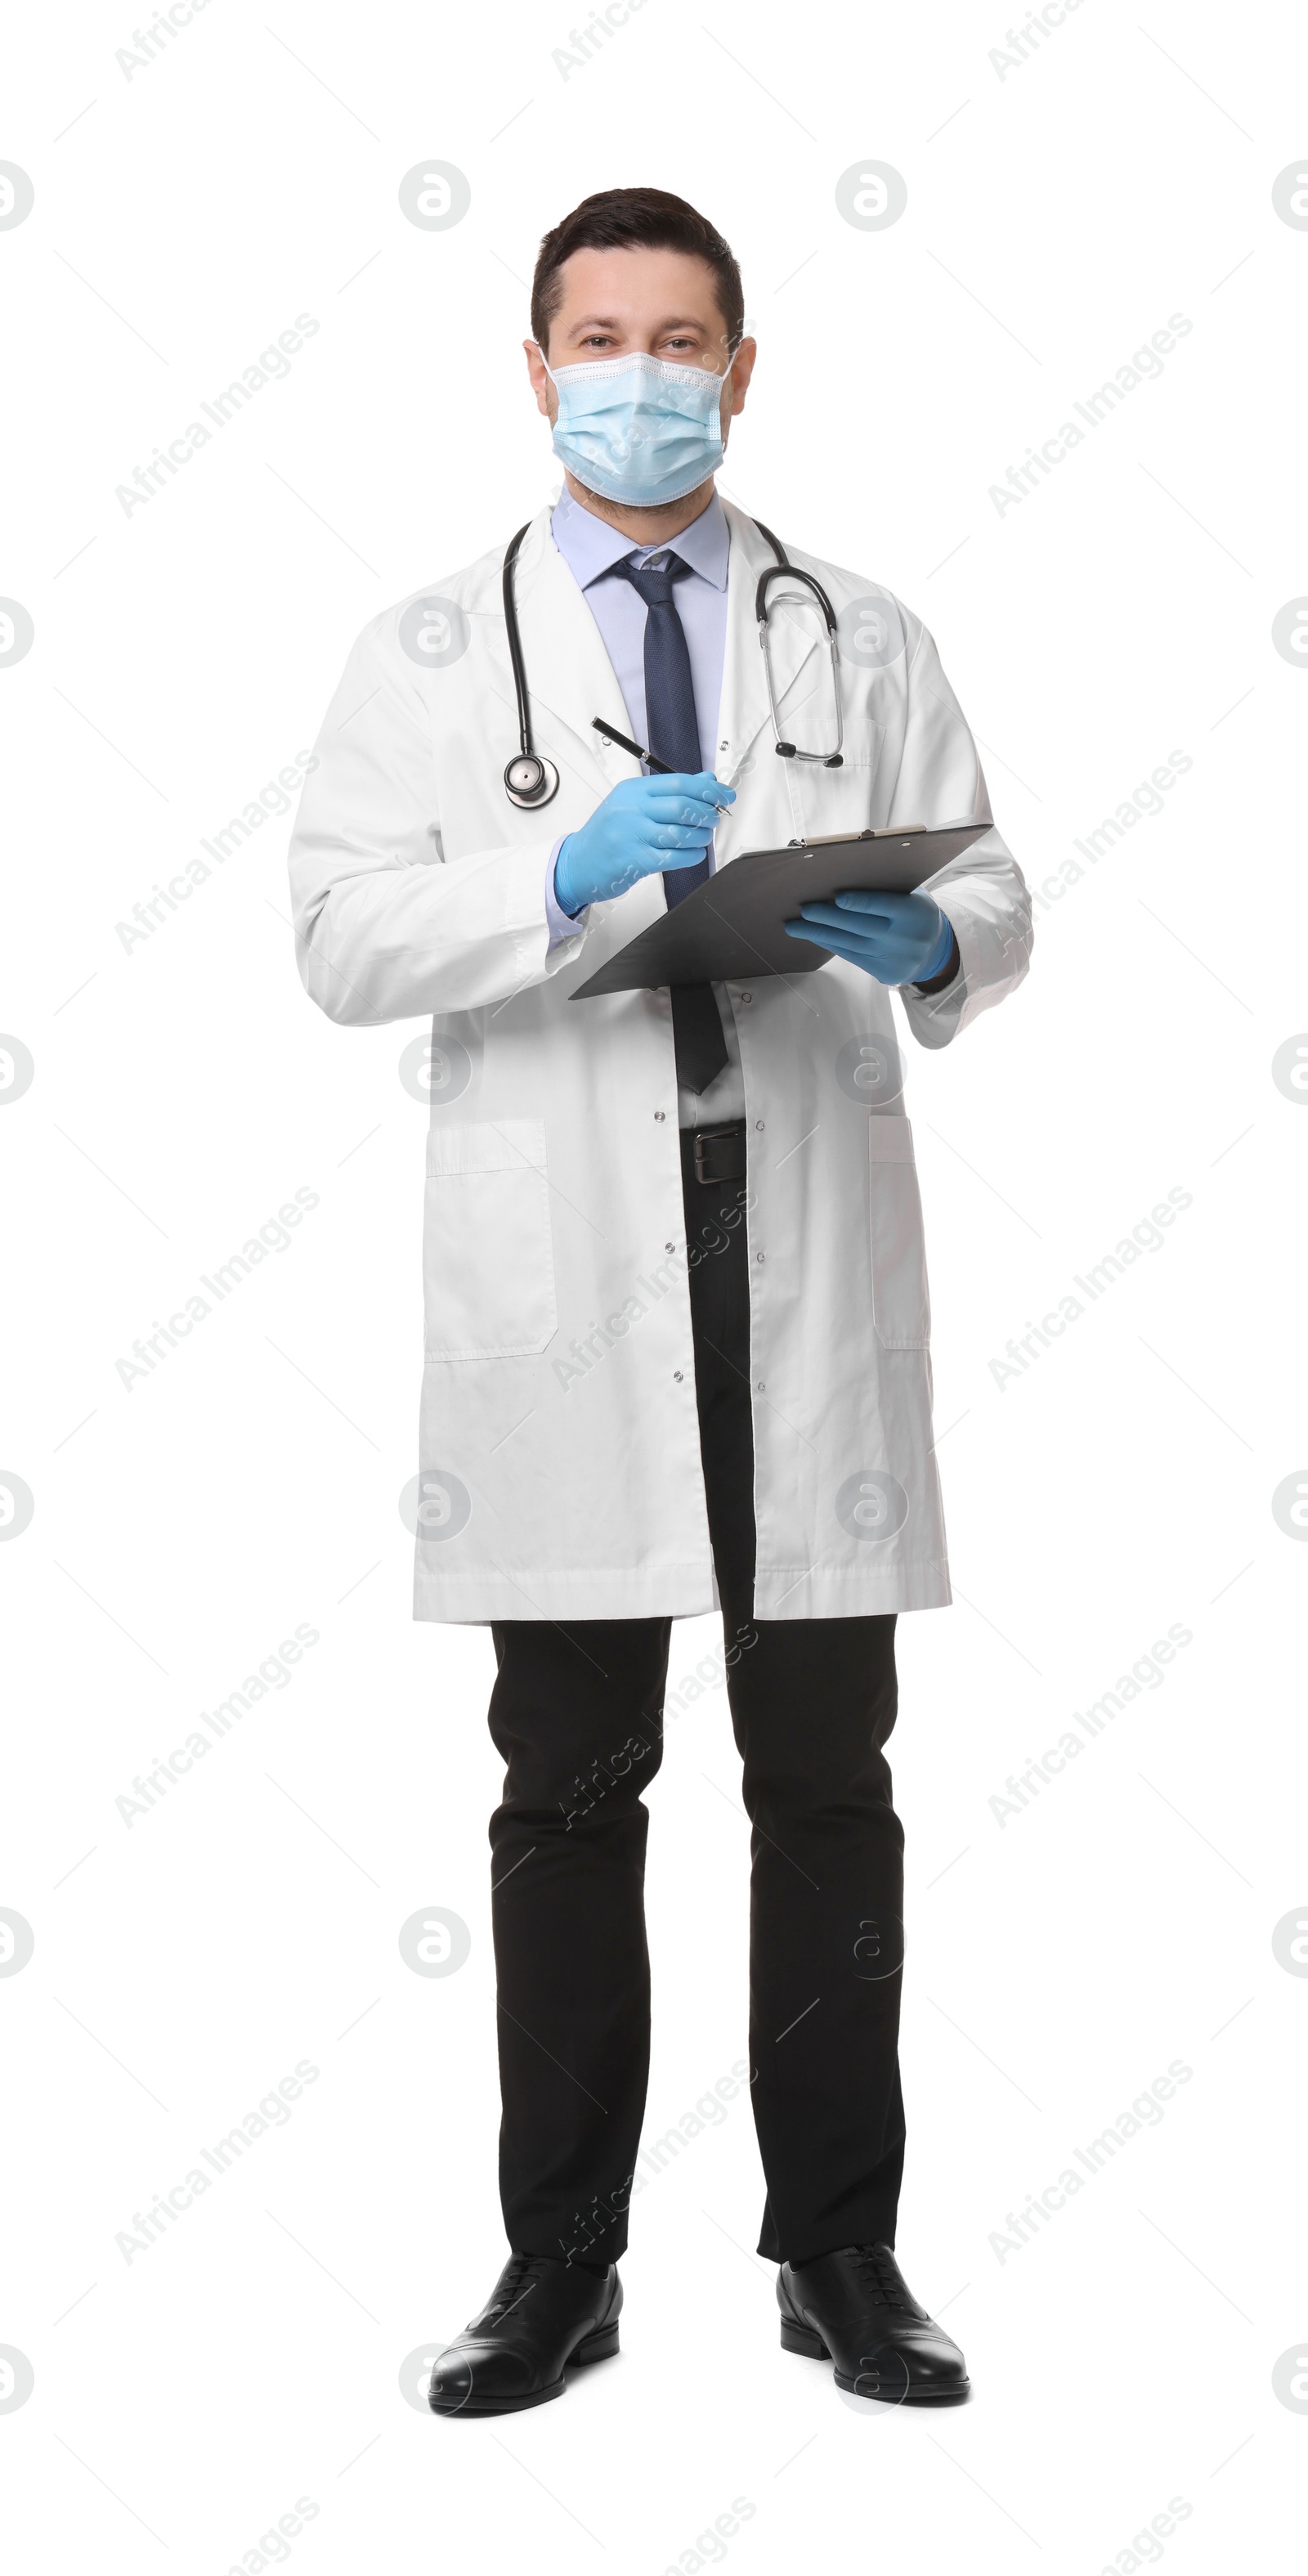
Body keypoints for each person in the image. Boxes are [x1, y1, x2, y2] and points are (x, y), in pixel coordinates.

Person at [287, 186, 1032, 2416]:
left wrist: (947, 940)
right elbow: (335, 940)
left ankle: (842, 2256)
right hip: (569, 1281)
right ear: (535, 371)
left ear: (742, 365)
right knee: (567, 1783)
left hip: (788, 1229)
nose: (641, 373)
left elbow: (979, 856)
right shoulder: (431, 650)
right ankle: (558, 2269)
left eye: (682, 338)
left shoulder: (855, 630)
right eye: (598, 337)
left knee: (828, 1782)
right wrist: (559, 877)